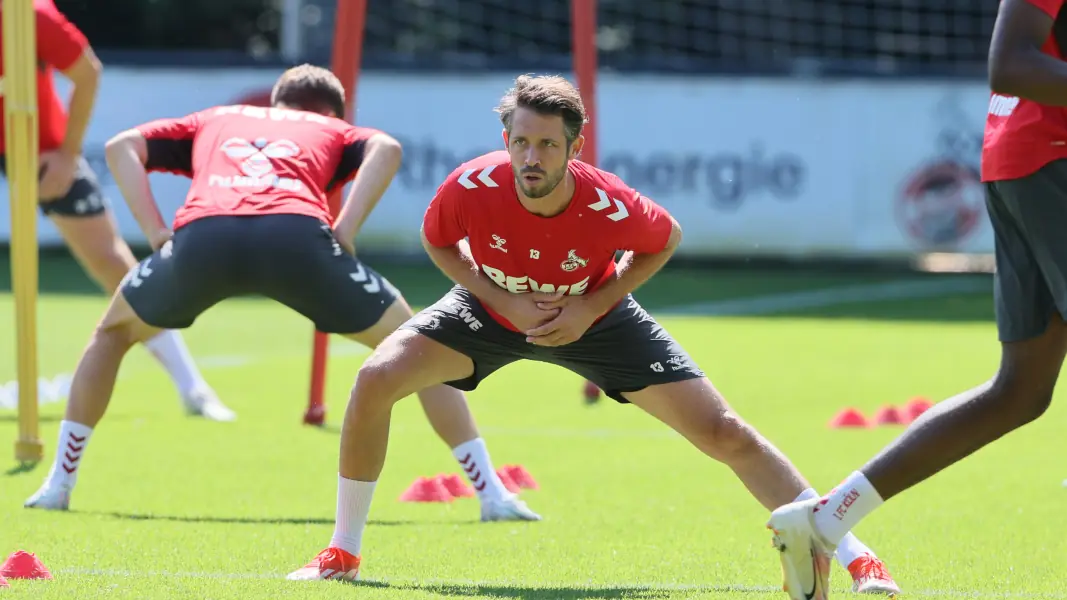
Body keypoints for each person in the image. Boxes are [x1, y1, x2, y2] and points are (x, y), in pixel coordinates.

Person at [286, 74, 900, 596]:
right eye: (521, 142)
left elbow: (667, 239)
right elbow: (439, 242)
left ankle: (855, 555)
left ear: (574, 148)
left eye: (548, 146)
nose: (531, 158)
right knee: (375, 379)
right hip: (488, 310)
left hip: (599, 320)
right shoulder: (471, 185)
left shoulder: (610, 204)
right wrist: (501, 299)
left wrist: (590, 308)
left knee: (725, 433)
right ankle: (342, 553)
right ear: (505, 139)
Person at [23, 64, 539, 524]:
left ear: (274, 103)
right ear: (334, 113)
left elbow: (120, 147)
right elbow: (388, 147)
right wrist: (347, 228)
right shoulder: (333, 127)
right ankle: (491, 494)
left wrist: (156, 232)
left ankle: (58, 485)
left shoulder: (218, 117)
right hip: (298, 238)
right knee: (423, 351)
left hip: (205, 237)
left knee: (112, 334)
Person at [766, 1, 1067, 598]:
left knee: (1019, 393)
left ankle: (825, 521)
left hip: (1026, 160)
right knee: (1017, 391)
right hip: (1049, 159)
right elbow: (1009, 63)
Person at [1, 0, 231, 421]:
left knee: (111, 262)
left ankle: (191, 387)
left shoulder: (29, 14)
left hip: (41, 147)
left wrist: (68, 155)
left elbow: (86, 72)